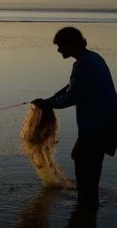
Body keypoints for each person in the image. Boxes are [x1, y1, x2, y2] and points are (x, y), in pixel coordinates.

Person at [33, 27, 117, 209]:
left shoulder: (83, 64)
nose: (58, 50)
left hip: (97, 125)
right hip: (105, 123)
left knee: (85, 165)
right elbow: (71, 87)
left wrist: (49, 105)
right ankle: (89, 208)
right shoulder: (92, 58)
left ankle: (86, 208)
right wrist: (49, 100)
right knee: (85, 162)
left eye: (60, 46)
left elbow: (72, 97)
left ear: (70, 44)